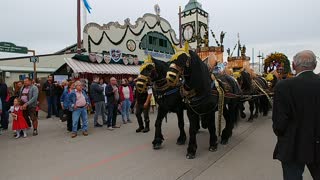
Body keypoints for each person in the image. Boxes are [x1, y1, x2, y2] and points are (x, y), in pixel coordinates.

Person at [272, 50, 320, 180]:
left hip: (292, 145)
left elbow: (279, 122)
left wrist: (283, 135)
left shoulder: (284, 86)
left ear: (293, 65)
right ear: (315, 66)